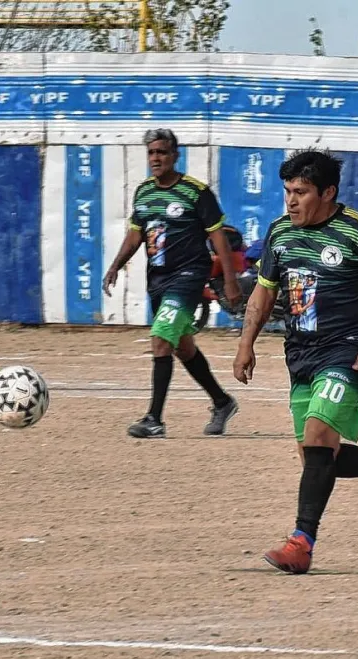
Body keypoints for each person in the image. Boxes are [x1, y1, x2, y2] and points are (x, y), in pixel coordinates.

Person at [233, 149, 358, 575]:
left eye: (301, 192)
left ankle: (301, 544)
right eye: (287, 191)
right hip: (300, 355)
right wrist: (246, 344)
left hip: (347, 351)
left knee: (318, 438)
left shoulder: (357, 232)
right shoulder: (280, 234)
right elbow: (264, 292)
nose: (291, 201)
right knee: (318, 459)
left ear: (328, 192)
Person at [103, 128, 242, 438]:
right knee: (181, 346)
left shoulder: (196, 192)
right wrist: (116, 264)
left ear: (175, 156)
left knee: (161, 338)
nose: (156, 158)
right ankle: (222, 402)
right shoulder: (144, 192)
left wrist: (230, 280)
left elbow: (217, 236)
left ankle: (154, 419)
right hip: (158, 280)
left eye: (162, 152)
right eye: (152, 152)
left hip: (189, 276)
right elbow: (136, 233)